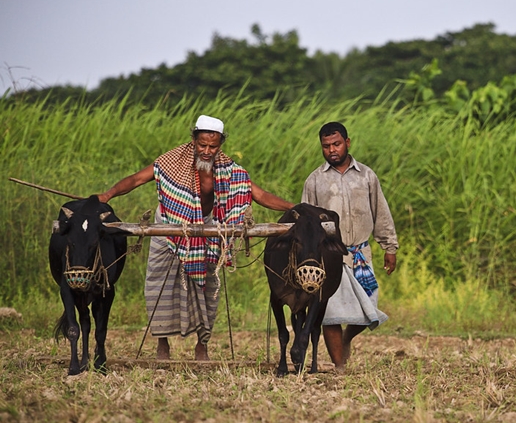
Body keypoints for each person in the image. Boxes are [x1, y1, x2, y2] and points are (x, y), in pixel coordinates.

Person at [98, 115, 294, 360]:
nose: (207, 151)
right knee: (159, 282)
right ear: (194, 140)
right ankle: (162, 343)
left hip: (209, 228)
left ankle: (202, 344)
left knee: (208, 287)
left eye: (213, 146)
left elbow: (260, 195)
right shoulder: (170, 162)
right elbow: (137, 179)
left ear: (220, 144)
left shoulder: (230, 171)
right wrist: (108, 195)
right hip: (168, 225)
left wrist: (295, 208)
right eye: (202, 145)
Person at [301, 121, 398, 372]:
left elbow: (381, 212)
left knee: (369, 311)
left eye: (336, 144)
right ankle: (339, 367)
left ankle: (347, 338)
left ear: (347, 143)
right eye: (326, 146)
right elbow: (306, 222)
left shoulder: (366, 175)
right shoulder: (315, 181)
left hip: (360, 253)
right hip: (328, 255)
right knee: (330, 312)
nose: (332, 150)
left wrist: (390, 247)